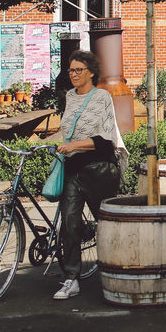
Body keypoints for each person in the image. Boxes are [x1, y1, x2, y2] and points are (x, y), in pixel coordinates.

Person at [53, 50, 126, 300]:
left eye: (78, 70)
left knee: (106, 225)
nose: (73, 74)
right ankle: (71, 278)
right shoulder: (70, 97)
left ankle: (117, 271)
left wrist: (74, 145)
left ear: (91, 73)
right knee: (70, 224)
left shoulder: (102, 97)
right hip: (73, 169)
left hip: (99, 170)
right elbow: (68, 132)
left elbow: (107, 140)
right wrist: (64, 145)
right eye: (70, 70)